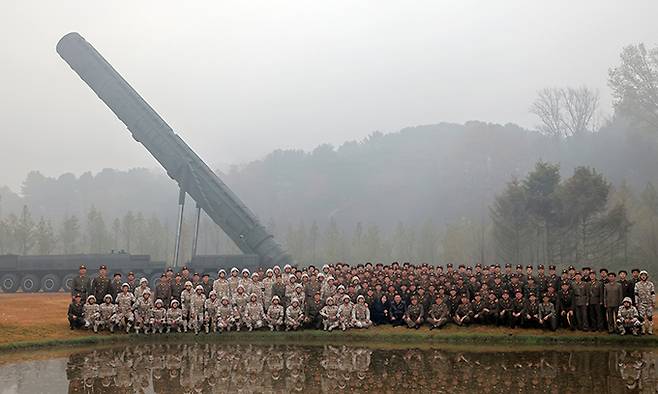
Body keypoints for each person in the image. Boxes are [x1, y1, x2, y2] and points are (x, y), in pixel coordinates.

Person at [634, 270, 655, 335]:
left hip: (649, 303)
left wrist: (653, 301)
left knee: (650, 317)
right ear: (640, 276)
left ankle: (650, 329)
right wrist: (636, 302)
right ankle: (643, 329)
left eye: (645, 275)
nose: (643, 277)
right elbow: (636, 294)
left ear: (647, 276)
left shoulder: (650, 284)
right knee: (642, 317)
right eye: (642, 275)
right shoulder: (637, 284)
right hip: (641, 303)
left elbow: (653, 293)